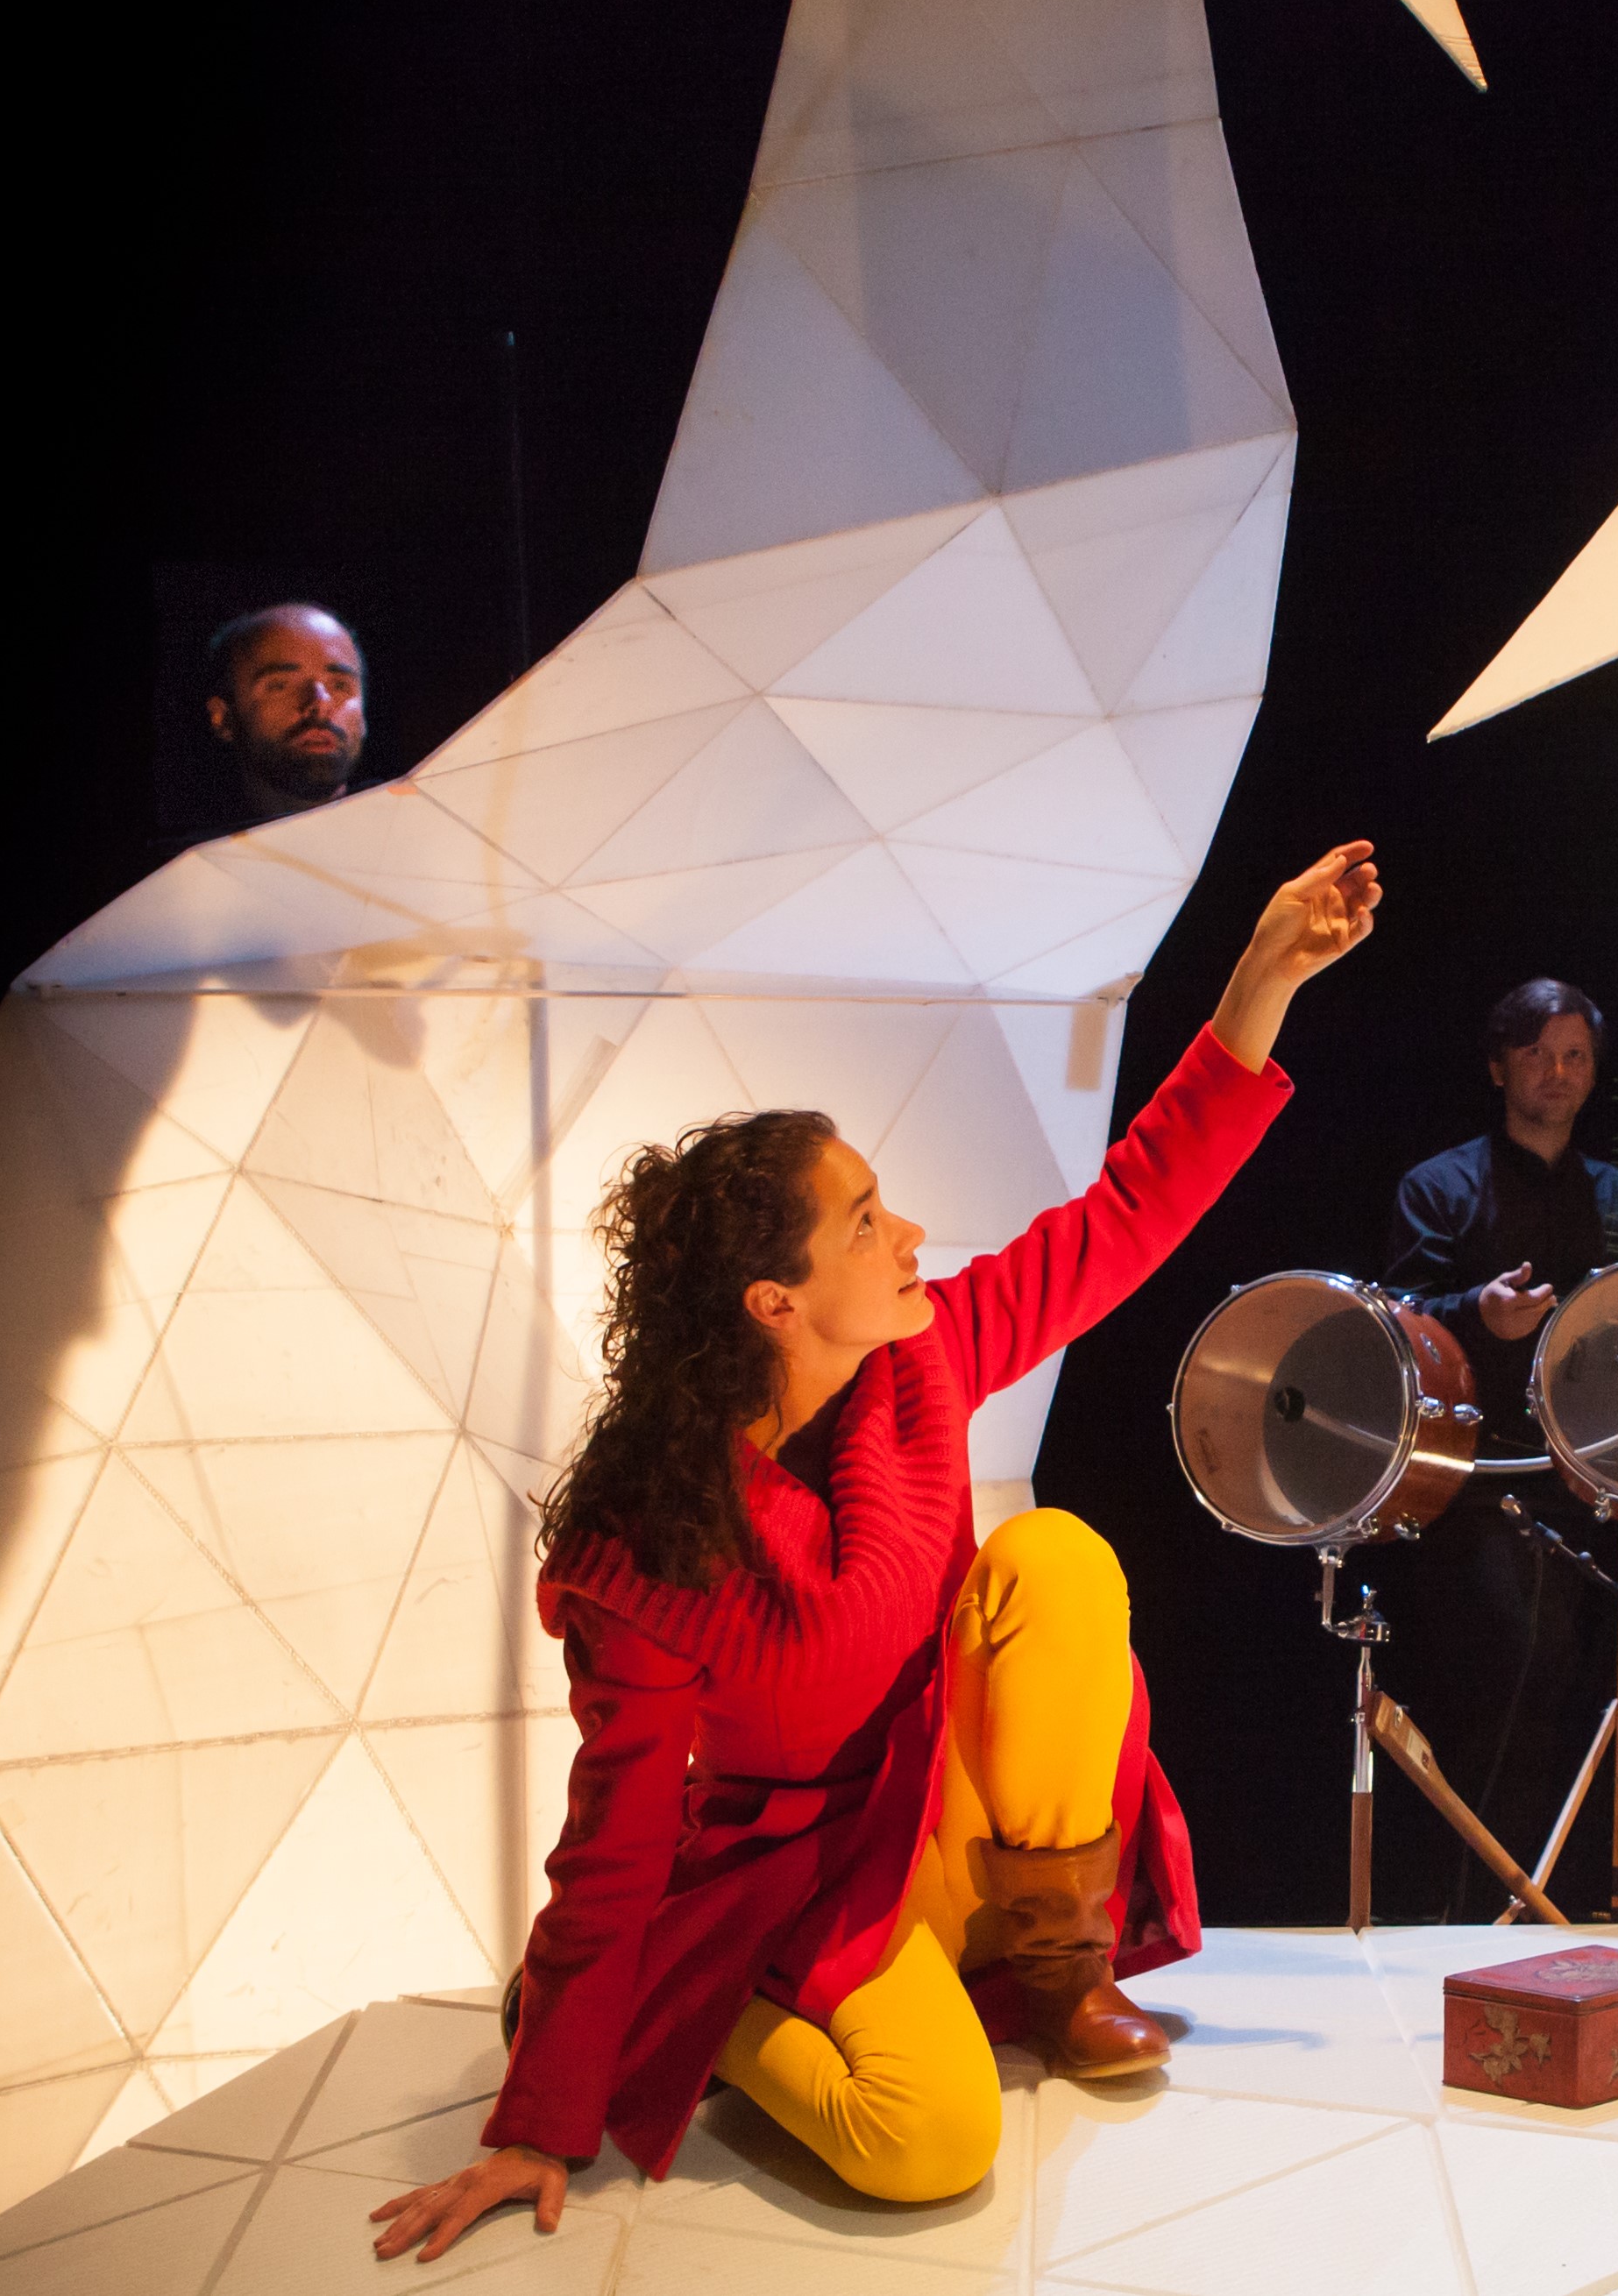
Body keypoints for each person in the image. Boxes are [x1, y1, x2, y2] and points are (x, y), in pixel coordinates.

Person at [368, 841, 1383, 2263]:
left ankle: (1058, 1966)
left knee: (1055, 1559)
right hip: (811, 1876)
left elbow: (1124, 1217)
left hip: (955, 1813)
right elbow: (618, 1832)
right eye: (864, 1223)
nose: (908, 1233)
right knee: (930, 2145)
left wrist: (1259, 981)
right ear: (774, 1302)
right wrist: (544, 2113)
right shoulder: (642, 1546)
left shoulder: (924, 1357)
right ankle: (702, 2002)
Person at [1369, 980, 1618, 1917]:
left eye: (1574, 1057)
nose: (1556, 1072)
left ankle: (1524, 1912)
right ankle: (1460, 1915)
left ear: (1593, 1073)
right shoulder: (1440, 1186)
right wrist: (1476, 1312)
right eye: (1536, 1054)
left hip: (1594, 1484)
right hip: (1473, 1482)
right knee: (1498, 1686)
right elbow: (1395, 1319)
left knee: (1567, 1703)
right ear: (1498, 1067)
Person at [204, 602, 368, 821]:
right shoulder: (197, 844)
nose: (321, 703)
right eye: (281, 686)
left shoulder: (409, 823)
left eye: (340, 685)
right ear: (222, 718)